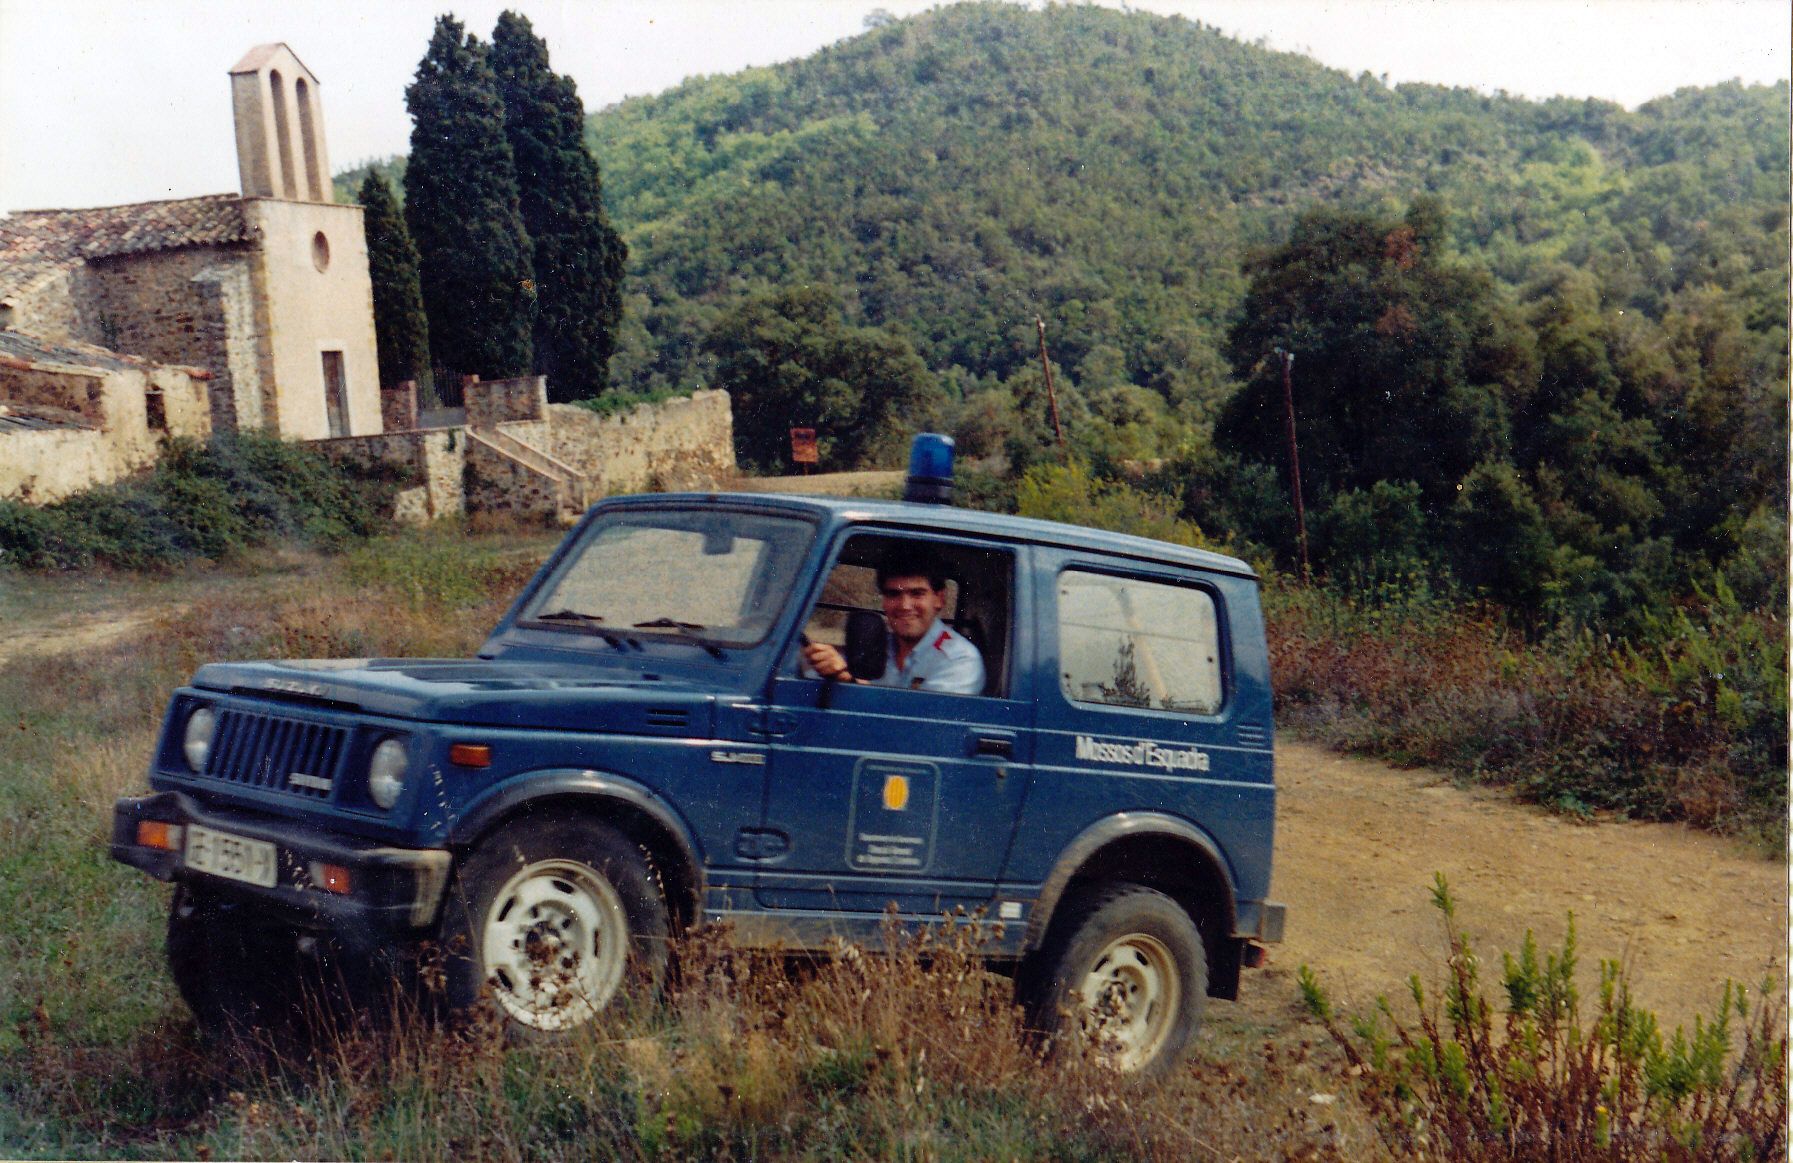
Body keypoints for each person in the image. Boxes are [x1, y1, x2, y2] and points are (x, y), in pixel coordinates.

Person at [802, 555, 985, 695]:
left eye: (917, 593)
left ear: (939, 599)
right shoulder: (877, 645)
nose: (904, 606)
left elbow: (916, 727)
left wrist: (846, 680)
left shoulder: (959, 659)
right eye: (893, 594)